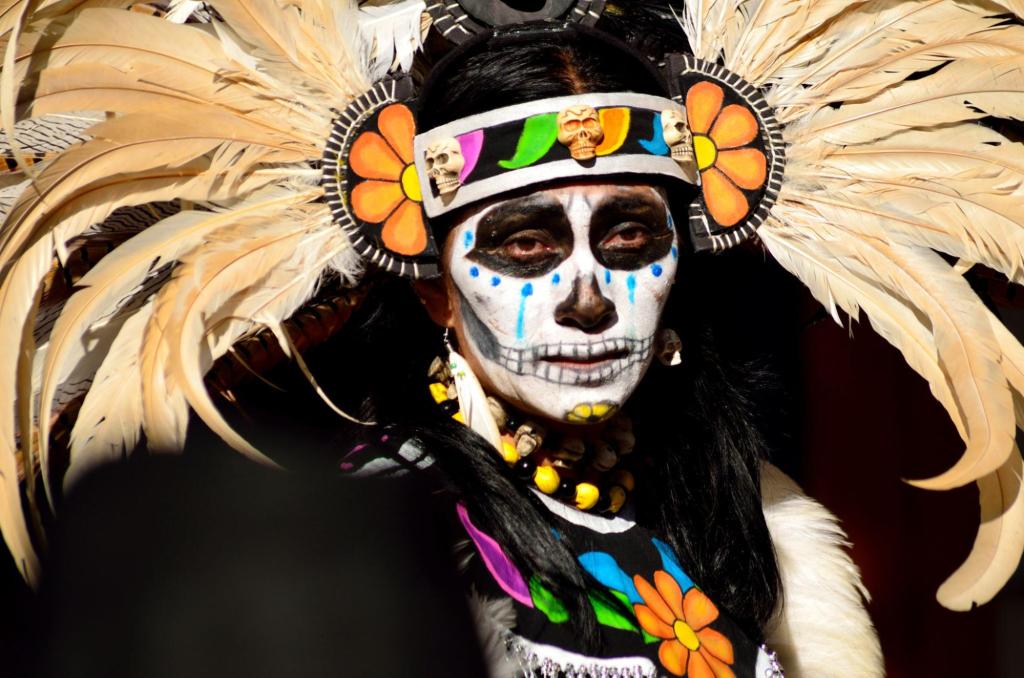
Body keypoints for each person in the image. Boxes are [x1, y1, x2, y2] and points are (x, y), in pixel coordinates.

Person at [1, 1, 1022, 676]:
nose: (588, 295)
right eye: (526, 244)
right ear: (437, 292)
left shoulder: (754, 529)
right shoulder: (358, 545)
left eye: (630, 236)